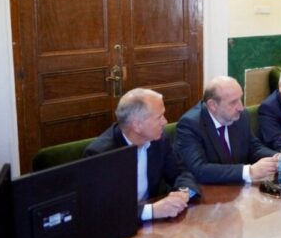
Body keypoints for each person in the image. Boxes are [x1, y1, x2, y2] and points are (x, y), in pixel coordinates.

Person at [84, 88, 200, 222]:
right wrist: (152, 211)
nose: (165, 122)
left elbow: (181, 173)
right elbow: (102, 209)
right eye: (159, 117)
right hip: (119, 228)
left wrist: (184, 193)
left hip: (155, 226)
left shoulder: (160, 140)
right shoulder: (101, 154)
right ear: (137, 125)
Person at [175, 76, 280, 185]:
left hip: (238, 190)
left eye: (240, 98)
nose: (241, 107)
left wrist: (276, 158)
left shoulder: (241, 116)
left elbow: (253, 146)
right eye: (233, 102)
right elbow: (199, 170)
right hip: (210, 193)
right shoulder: (190, 125)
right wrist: (249, 171)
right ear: (213, 105)